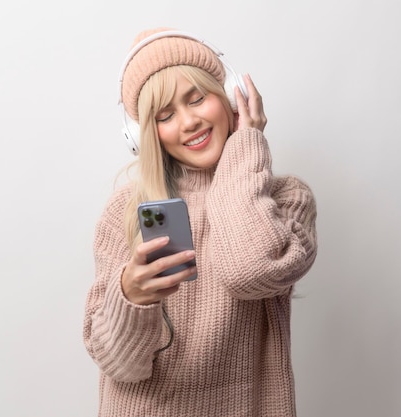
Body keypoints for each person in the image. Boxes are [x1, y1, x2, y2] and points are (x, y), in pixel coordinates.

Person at [83, 27, 318, 417]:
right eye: (166, 115)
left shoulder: (286, 199)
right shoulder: (126, 210)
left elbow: (250, 270)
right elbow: (119, 365)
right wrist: (132, 298)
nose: (189, 121)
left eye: (197, 99)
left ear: (231, 100)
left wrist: (246, 144)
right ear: (144, 136)